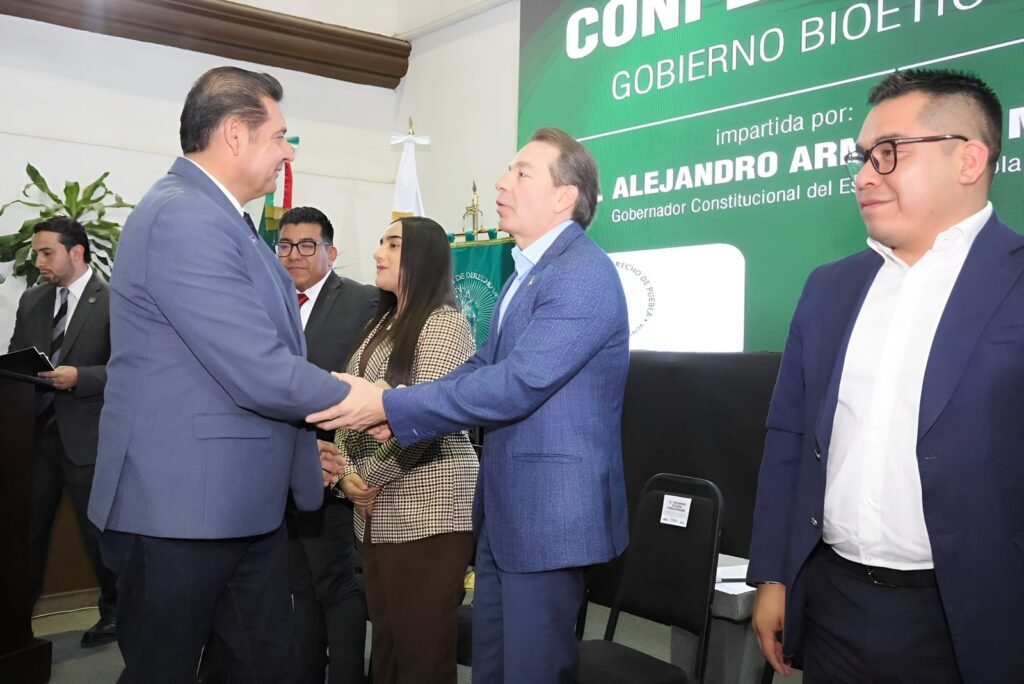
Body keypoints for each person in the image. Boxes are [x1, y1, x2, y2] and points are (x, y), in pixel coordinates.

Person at [309, 127, 631, 684]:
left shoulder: (581, 273)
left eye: (521, 173)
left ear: (564, 196)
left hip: (548, 517)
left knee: (529, 671)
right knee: (494, 669)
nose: (502, 183)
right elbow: (482, 367)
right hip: (507, 513)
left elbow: (518, 383)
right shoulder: (528, 274)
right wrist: (396, 406)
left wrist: (390, 405)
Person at [748, 68, 1023, 683]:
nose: (864, 176)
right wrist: (773, 575)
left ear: (969, 160)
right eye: (863, 157)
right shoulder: (829, 289)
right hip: (833, 605)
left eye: (889, 153)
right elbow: (789, 438)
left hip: (975, 619)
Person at [87, 66, 351, 682]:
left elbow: (221, 376)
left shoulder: (228, 221)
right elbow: (257, 368)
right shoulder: (185, 217)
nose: (288, 152)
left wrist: (295, 451)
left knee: (263, 668)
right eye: (279, 136)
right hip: (179, 511)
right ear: (235, 133)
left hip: (236, 505)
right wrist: (364, 398)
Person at [333, 215, 478, 684]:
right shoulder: (380, 323)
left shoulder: (444, 324)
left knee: (422, 653)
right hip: (375, 512)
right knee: (388, 648)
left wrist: (368, 479)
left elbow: (426, 419)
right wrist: (346, 476)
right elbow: (352, 404)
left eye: (393, 244)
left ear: (423, 257)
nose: (378, 253)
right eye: (381, 242)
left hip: (429, 510)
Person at [277, 206, 377, 684]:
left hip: (333, 466)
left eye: (307, 245)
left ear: (331, 253)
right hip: (278, 465)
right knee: (299, 584)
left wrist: (349, 464)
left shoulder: (363, 302)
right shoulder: (268, 300)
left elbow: (369, 384)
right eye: (284, 245)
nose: (293, 255)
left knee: (336, 583)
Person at [8, 216, 118, 647]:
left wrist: (80, 378)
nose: (38, 262)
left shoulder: (113, 301)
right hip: (35, 438)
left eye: (46, 252)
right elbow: (17, 356)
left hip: (89, 440)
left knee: (98, 535)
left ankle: (115, 612)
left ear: (76, 252)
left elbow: (130, 370)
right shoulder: (33, 300)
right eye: (36, 253)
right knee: (26, 535)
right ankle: (15, 623)